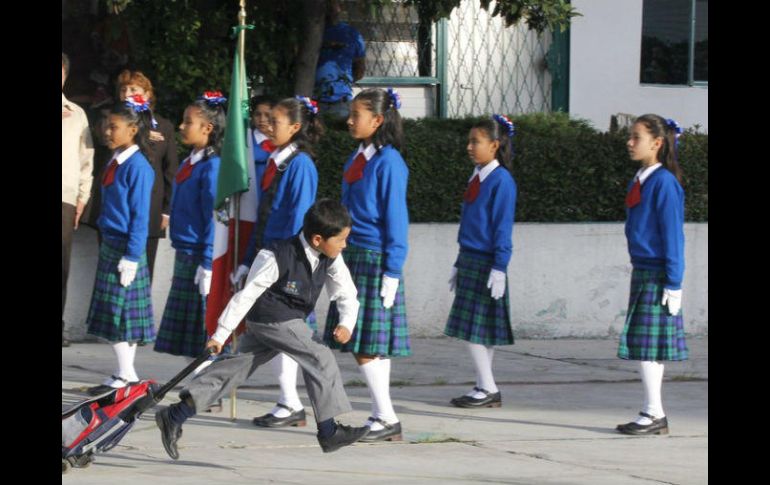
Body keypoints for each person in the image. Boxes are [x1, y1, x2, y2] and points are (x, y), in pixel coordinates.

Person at [154, 199, 370, 458]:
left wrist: (346, 323)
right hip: (273, 319)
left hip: (280, 323)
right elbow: (246, 295)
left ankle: (175, 415)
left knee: (234, 369)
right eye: (341, 239)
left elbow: (347, 292)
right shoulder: (275, 255)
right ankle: (329, 431)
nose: (345, 245)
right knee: (319, 355)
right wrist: (220, 334)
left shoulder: (331, 257)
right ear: (317, 239)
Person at [323, 88, 409, 442]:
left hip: (375, 259)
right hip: (353, 254)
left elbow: (396, 218)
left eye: (356, 115)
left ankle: (386, 417)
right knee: (368, 343)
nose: (349, 120)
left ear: (377, 120)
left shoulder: (389, 162)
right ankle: (382, 415)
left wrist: (393, 270)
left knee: (364, 342)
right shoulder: (357, 158)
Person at [231, 96, 322, 428]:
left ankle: (293, 403)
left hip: (286, 261)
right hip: (270, 254)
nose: (268, 126)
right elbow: (264, 215)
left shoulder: (300, 165)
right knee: (275, 332)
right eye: (267, 120)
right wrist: (248, 259)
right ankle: (288, 401)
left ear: (295, 127)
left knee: (285, 332)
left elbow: (299, 218)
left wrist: (284, 262)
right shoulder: (277, 161)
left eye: (276, 121)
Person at [615, 114, 687, 436]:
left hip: (658, 273)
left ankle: (654, 413)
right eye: (630, 136)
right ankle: (652, 411)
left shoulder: (664, 183)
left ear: (657, 143)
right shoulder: (641, 178)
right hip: (644, 270)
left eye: (636, 137)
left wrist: (674, 282)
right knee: (646, 345)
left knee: (649, 346)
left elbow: (673, 235)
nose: (629, 143)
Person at [444, 115, 518, 409]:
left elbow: (502, 228)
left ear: (495, 145)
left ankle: (488, 387)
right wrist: (458, 260)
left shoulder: (501, 181)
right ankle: (482, 385)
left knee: (472, 330)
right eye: (469, 141)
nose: (469, 147)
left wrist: (500, 266)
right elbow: (470, 223)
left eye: (476, 142)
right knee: (481, 329)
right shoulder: (477, 176)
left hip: (486, 262)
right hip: (470, 258)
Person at [84, 95, 155, 396]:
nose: (106, 131)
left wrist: (132, 256)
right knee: (116, 313)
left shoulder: (137, 167)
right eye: (105, 125)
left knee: (121, 314)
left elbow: (140, 216)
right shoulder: (116, 160)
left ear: (132, 130)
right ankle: (125, 373)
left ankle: (126, 375)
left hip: (125, 247)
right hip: (111, 241)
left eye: (113, 126)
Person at [83, 70, 179, 281]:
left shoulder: (163, 126)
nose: (127, 93)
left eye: (133, 89)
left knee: (142, 271)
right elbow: (101, 141)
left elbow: (171, 169)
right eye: (123, 89)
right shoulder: (109, 119)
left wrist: (166, 210)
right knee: (109, 274)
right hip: (114, 207)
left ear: (147, 94)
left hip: (149, 205)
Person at [153, 92, 225, 359]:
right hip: (185, 251)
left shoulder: (212, 167)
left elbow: (214, 217)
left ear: (208, 128)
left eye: (188, 122)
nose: (181, 126)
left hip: (199, 253)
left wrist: (208, 262)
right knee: (189, 336)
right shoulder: (189, 162)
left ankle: (206, 381)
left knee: (202, 331)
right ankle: (196, 381)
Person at [62, 52, 94, 347]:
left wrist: (83, 196)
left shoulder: (77, 114)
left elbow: (86, 160)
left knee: (62, 263)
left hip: (65, 196)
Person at [314, 0, 366, 119]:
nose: (329, 8)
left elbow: (360, 68)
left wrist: (341, 84)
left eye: (332, 4)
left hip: (341, 102)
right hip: (312, 101)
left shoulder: (351, 34)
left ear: (339, 7)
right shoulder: (311, 34)